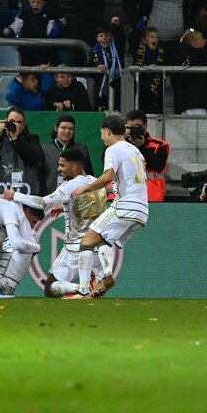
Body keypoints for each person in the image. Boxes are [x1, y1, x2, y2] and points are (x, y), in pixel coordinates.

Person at [3, 148, 109, 298]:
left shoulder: (71, 185)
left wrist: (15, 195)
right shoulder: (95, 182)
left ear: (74, 167)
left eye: (62, 165)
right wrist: (65, 205)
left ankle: (82, 288)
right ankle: (89, 286)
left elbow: (43, 203)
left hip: (76, 247)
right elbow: (86, 203)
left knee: (50, 288)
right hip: (97, 245)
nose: (59, 169)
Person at [67, 115, 149, 299]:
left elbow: (109, 176)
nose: (102, 138)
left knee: (86, 241)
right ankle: (105, 277)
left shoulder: (113, 149)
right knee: (102, 241)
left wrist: (85, 188)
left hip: (125, 206)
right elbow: (127, 180)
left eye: (102, 134)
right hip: (142, 210)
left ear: (108, 131)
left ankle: (84, 289)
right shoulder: (135, 150)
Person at [43, 0, 121, 64]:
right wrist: (58, 15)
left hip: (90, 22)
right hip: (67, 24)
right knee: (67, 68)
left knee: (91, 66)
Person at [121, 0, 205, 51]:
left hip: (179, 43)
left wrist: (191, 28)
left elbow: (199, 7)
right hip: (149, 44)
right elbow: (128, 3)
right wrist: (137, 22)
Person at [0, 107, 45, 196]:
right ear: (5, 121)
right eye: (12, 121)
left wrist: (16, 139)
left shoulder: (31, 139)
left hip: (26, 196)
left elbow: (34, 160)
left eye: (19, 122)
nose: (15, 125)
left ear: (24, 125)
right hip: (1, 195)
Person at [2, 0, 66, 66]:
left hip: (43, 53)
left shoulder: (49, 15)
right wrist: (9, 31)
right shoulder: (24, 14)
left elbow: (52, 35)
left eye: (39, 2)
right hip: (26, 52)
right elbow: (15, 27)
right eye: (33, 2)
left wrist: (60, 25)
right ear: (29, 1)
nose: (35, 4)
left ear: (44, 3)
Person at [42, 114, 95, 194]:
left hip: (75, 197)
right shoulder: (45, 149)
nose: (67, 131)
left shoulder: (81, 149)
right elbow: (40, 176)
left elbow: (88, 175)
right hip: (52, 197)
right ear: (56, 128)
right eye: (63, 127)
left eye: (70, 129)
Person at [124, 109, 170, 202]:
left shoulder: (160, 145)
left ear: (145, 126)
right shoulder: (122, 144)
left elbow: (158, 167)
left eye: (137, 127)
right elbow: (105, 159)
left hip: (151, 195)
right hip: (125, 195)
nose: (134, 130)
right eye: (130, 128)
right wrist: (122, 139)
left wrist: (142, 147)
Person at [90, 18, 126, 111]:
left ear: (111, 37)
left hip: (118, 84)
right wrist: (97, 65)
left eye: (107, 35)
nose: (104, 38)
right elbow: (92, 65)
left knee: (118, 108)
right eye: (101, 36)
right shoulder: (94, 50)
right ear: (97, 38)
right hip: (102, 88)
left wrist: (118, 26)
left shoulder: (117, 47)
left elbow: (121, 38)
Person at [132, 27, 166, 114]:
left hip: (156, 92)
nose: (155, 39)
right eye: (152, 37)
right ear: (144, 39)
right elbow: (132, 37)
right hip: (142, 91)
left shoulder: (162, 51)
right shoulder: (138, 49)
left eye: (157, 37)